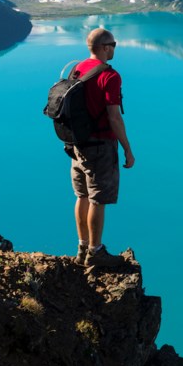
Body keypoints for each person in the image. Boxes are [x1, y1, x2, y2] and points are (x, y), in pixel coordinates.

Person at [70, 27, 135, 267]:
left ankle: (82, 246)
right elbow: (114, 116)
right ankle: (95, 252)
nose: (115, 48)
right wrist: (127, 148)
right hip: (100, 144)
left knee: (82, 195)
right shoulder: (110, 76)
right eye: (114, 44)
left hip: (78, 144)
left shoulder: (77, 68)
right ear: (105, 47)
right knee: (98, 199)